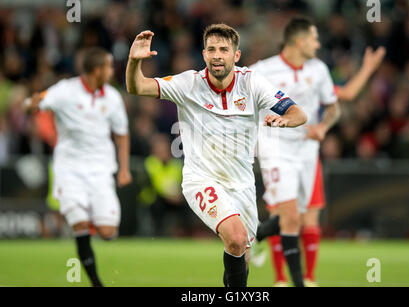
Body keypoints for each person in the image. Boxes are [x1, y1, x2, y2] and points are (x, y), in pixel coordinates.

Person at [126, 23, 307, 287]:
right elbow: (137, 87)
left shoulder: (252, 82)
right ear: (204, 54)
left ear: (236, 55)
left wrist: (284, 122)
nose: (217, 55)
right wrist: (133, 62)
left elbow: (298, 113)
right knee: (235, 237)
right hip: (202, 179)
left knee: (240, 254)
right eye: (211, 49)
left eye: (224, 49)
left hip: (242, 184)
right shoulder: (188, 83)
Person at [250, 16, 386, 287]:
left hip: (308, 152)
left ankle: (257, 237)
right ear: (299, 41)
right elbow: (235, 92)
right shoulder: (262, 70)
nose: (318, 43)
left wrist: (323, 126)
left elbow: (338, 102)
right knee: (289, 215)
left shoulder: (319, 70)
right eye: (314, 38)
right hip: (275, 148)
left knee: (301, 215)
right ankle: (288, 281)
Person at [24, 47, 132, 287]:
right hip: (69, 169)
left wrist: (123, 168)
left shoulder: (112, 97)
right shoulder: (66, 91)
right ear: (96, 70)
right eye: (108, 66)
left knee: (107, 232)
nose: (111, 71)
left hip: (101, 170)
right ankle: (96, 282)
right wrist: (30, 104)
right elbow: (39, 102)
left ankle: (88, 215)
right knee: (80, 225)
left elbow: (122, 134)